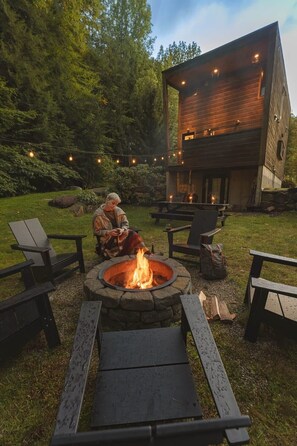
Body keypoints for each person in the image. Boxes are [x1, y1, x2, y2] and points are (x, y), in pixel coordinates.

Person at [92, 192, 148, 258]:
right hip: (108, 238)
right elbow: (97, 231)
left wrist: (122, 229)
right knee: (123, 242)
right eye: (113, 203)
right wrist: (109, 232)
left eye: (116, 204)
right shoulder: (98, 215)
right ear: (107, 201)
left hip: (121, 233)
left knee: (133, 234)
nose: (114, 206)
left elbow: (125, 223)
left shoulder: (118, 210)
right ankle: (123, 258)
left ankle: (143, 254)